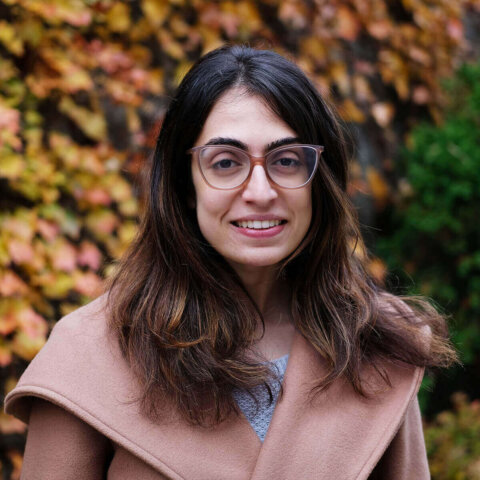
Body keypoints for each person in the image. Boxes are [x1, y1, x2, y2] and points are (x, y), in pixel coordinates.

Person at [5, 45, 456, 479]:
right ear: (185, 185)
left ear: (319, 181)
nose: (260, 192)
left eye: (286, 160)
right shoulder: (90, 358)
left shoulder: (376, 347)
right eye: (225, 163)